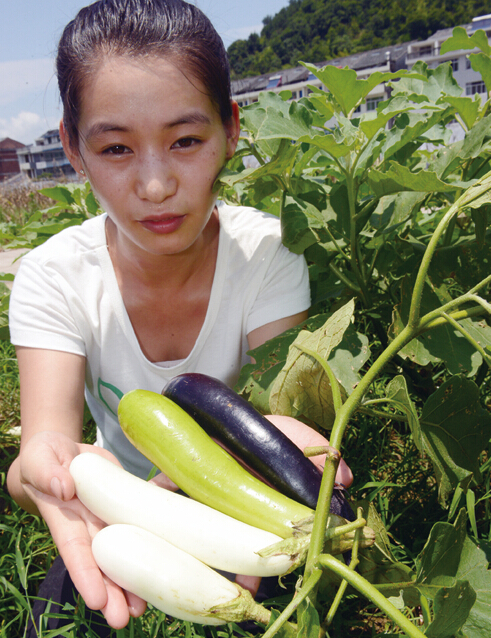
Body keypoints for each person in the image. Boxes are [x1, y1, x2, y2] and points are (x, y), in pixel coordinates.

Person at [6, 0, 352, 634]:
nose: (156, 185)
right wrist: (40, 474)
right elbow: (40, 455)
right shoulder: (53, 275)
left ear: (231, 130)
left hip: (238, 502)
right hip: (111, 512)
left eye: (186, 140)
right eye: (115, 148)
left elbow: (276, 425)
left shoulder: (269, 255)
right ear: (73, 149)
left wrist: (285, 442)